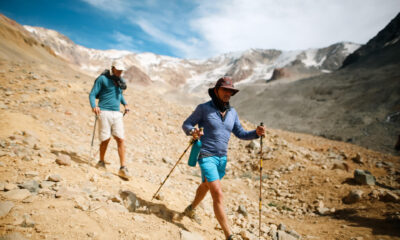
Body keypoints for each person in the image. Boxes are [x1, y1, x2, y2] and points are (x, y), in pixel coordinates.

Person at [182, 76, 265, 240]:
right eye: (225, 89)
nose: (228, 93)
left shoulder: (232, 113)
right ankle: (229, 235)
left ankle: (191, 208)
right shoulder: (204, 108)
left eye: (231, 91)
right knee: (218, 194)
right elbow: (187, 124)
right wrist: (193, 132)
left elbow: (240, 133)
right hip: (206, 156)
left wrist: (256, 133)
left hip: (222, 159)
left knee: (206, 185)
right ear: (216, 91)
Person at [89, 61, 131, 179]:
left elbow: (119, 94)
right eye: (118, 69)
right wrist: (94, 106)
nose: (120, 72)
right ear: (112, 68)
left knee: (120, 139)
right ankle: (101, 161)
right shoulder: (102, 79)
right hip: (104, 112)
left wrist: (125, 104)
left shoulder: (119, 81)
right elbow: (92, 94)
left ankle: (123, 168)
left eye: (121, 70)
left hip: (117, 114)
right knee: (105, 139)